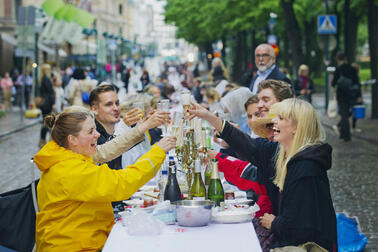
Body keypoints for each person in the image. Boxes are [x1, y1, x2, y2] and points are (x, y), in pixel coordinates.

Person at [191, 99, 337, 251]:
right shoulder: (282, 153)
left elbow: (301, 225)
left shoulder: (306, 168)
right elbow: (251, 147)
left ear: (296, 127)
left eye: (280, 118)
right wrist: (209, 117)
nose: (273, 121)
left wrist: (274, 223)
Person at [33, 106, 176, 251]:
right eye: (90, 131)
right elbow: (121, 183)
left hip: (81, 238)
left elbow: (108, 149)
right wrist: (157, 152)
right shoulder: (70, 170)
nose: (97, 135)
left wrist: (142, 128)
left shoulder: (67, 153)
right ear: (73, 139)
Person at [331, 52, 359, 142]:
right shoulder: (351, 68)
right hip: (351, 95)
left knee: (344, 116)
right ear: (345, 58)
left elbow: (333, 83)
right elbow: (356, 82)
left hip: (342, 95)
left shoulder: (338, 69)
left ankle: (346, 136)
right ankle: (342, 135)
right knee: (346, 114)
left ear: (337, 59)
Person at [38, 64, 55, 148]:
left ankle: (43, 140)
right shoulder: (46, 80)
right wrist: (53, 102)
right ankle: (44, 140)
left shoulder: (42, 79)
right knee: (47, 122)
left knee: (46, 121)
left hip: (44, 103)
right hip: (47, 103)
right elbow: (50, 92)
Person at [351, 62, 363, 133]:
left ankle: (353, 127)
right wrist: (359, 96)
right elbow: (358, 88)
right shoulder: (356, 77)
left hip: (351, 96)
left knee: (350, 112)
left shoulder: (350, 77)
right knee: (354, 112)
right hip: (356, 97)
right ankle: (354, 127)